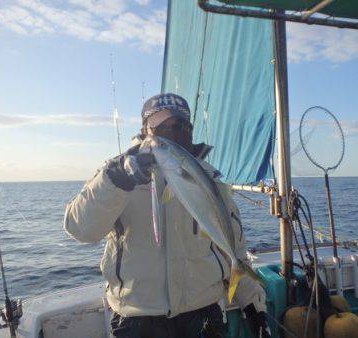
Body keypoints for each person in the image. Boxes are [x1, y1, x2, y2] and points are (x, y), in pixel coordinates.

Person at [64, 93, 270, 338]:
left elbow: (233, 247)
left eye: (181, 125)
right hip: (138, 317)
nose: (172, 130)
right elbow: (81, 229)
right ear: (146, 130)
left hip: (203, 312)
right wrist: (116, 180)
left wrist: (253, 304)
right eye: (161, 125)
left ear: (190, 130)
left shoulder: (210, 180)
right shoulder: (114, 175)